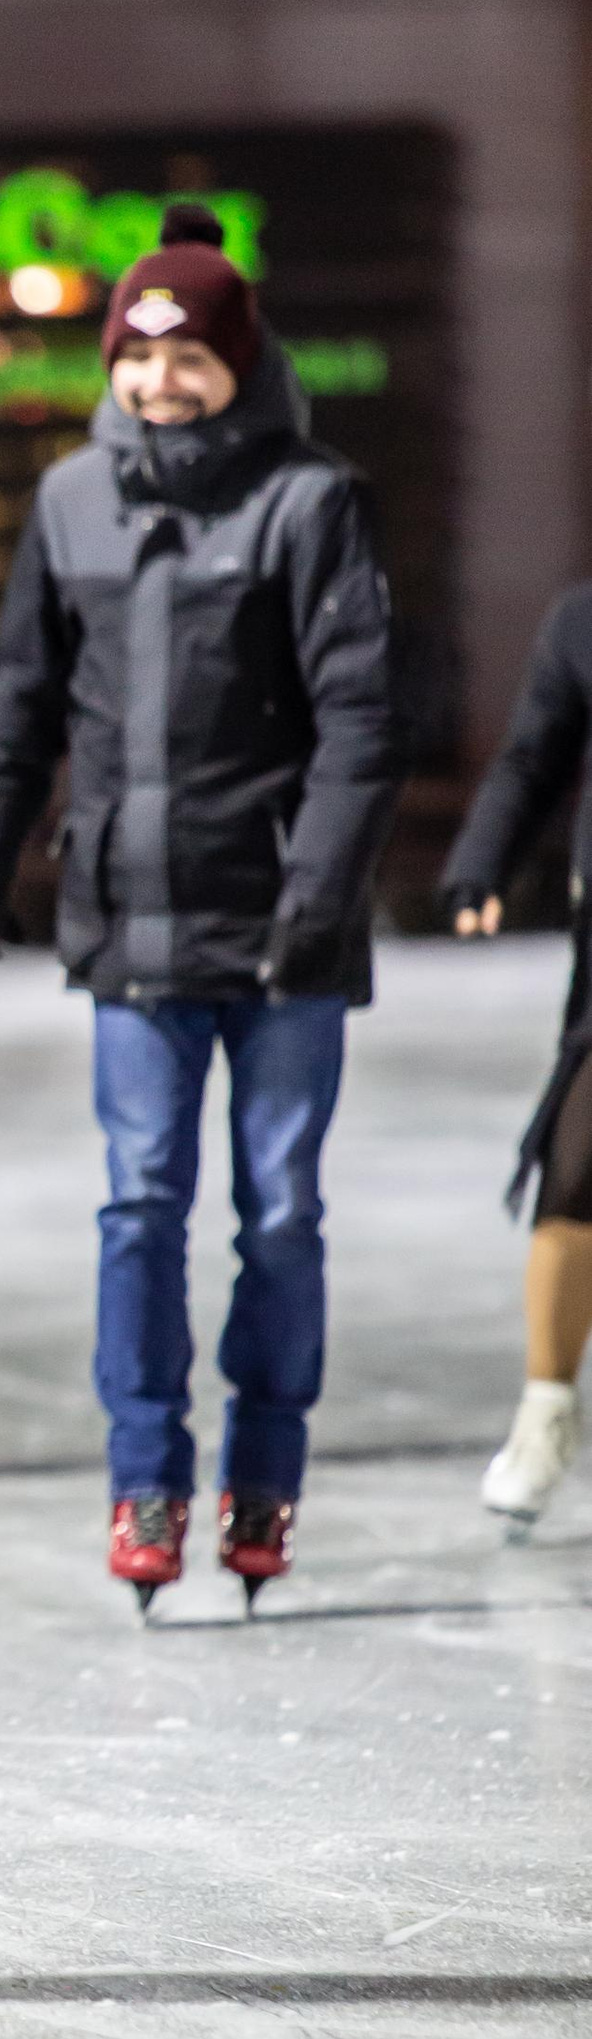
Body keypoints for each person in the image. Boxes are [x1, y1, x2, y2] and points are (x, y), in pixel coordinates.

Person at [0, 205, 399, 1611]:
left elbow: (360, 722)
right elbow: (26, 691)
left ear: (236, 363)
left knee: (280, 1215)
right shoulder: (74, 497)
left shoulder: (309, 501)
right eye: (138, 363)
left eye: (188, 361)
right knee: (140, 1206)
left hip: (283, 936)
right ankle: (145, 1476)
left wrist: (320, 896)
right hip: (133, 921)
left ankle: (264, 1472)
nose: (159, 386)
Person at [439, 588, 592, 1530]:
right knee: (574, 1174)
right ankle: (546, 1411)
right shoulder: (583, 620)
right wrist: (480, 863)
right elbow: (533, 756)